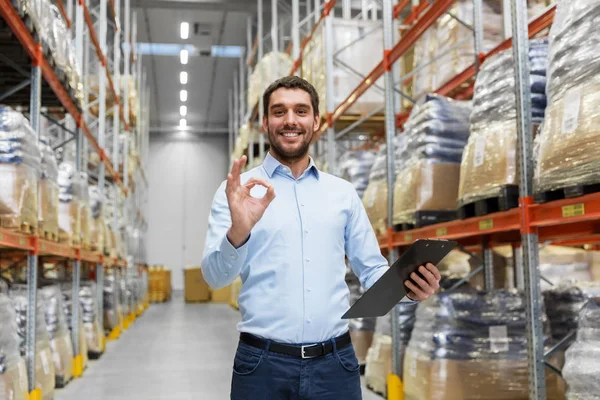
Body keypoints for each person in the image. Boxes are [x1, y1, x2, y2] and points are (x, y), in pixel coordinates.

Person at [201, 76, 442, 400]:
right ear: (264, 122)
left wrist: (410, 288)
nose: (290, 120)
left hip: (334, 366)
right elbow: (215, 278)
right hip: (262, 367)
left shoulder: (341, 193)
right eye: (279, 111)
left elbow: (372, 271)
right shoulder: (238, 191)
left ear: (316, 120)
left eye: (301, 111)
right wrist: (239, 231)